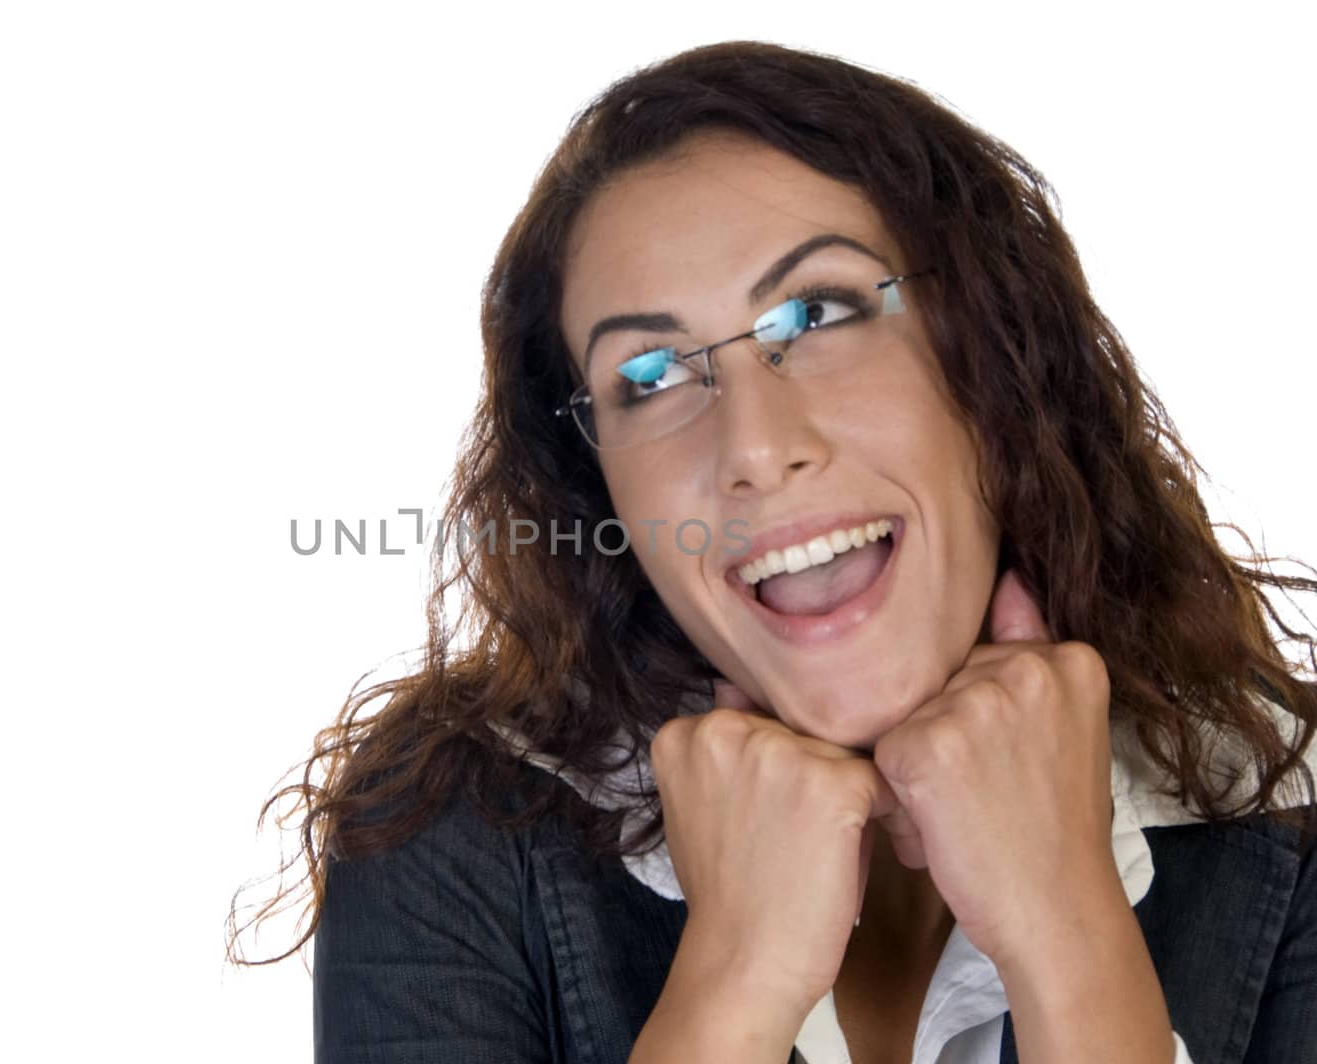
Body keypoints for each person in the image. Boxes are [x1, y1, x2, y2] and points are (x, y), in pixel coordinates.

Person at [232, 40, 1317, 1062]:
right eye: (648, 377)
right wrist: (738, 979)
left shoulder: (1288, 808)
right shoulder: (442, 837)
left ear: (992, 356)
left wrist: (1069, 933)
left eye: (818, 311)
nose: (752, 446)